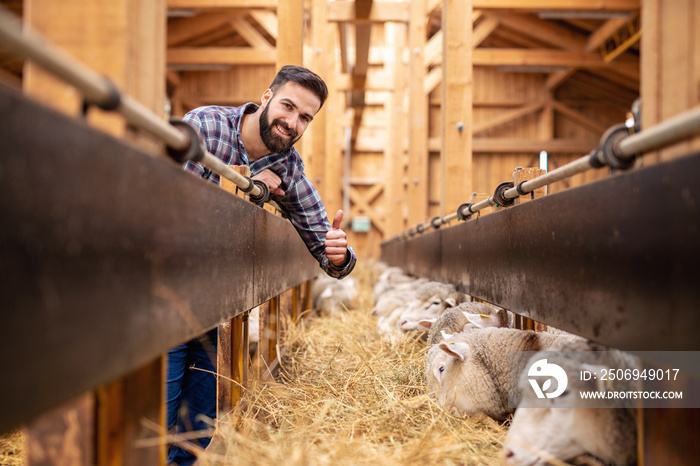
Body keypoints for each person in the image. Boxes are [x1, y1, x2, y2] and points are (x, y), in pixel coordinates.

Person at [166, 65, 356, 465]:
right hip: (165, 297)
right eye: (288, 106)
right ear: (266, 98)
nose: (293, 123)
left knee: (198, 428)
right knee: (155, 421)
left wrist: (339, 254)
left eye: (305, 117)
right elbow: (172, 210)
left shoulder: (288, 165)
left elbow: (324, 240)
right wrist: (254, 186)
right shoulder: (205, 126)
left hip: (212, 307)